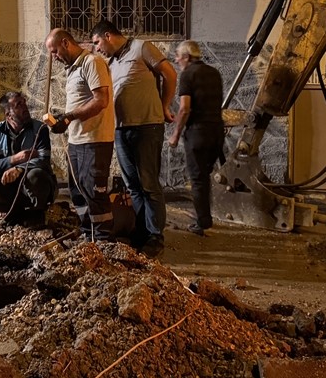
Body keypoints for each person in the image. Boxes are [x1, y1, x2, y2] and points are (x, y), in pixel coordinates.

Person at [90, 20, 177, 254]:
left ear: (107, 36)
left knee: (149, 184)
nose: (97, 48)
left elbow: (170, 74)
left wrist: (164, 106)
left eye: (97, 42)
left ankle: (156, 236)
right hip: (121, 130)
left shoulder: (142, 47)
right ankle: (141, 233)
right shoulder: (112, 62)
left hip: (147, 127)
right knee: (133, 186)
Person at [44, 28, 116, 242]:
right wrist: (64, 119)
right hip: (77, 140)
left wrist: (68, 118)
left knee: (94, 191)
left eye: (55, 51)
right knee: (78, 191)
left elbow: (100, 100)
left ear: (66, 43)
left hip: (94, 140)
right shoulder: (73, 68)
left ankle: (103, 240)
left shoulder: (92, 63)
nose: (54, 57)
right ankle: (88, 234)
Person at [0, 91, 56, 223]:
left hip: (30, 187)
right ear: (8, 114)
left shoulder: (39, 129)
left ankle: (36, 211)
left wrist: (20, 169)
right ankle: (14, 211)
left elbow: (43, 160)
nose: (24, 107)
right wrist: (14, 159)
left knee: (36, 175)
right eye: (18, 105)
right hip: (8, 187)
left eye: (24, 103)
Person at [168, 41, 225, 236]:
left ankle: (202, 222)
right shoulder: (214, 73)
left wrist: (175, 134)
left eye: (177, 56)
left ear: (185, 57)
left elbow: (184, 108)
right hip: (216, 133)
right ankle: (204, 215)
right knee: (205, 176)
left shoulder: (187, 75)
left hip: (198, 133)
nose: (176, 60)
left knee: (198, 179)